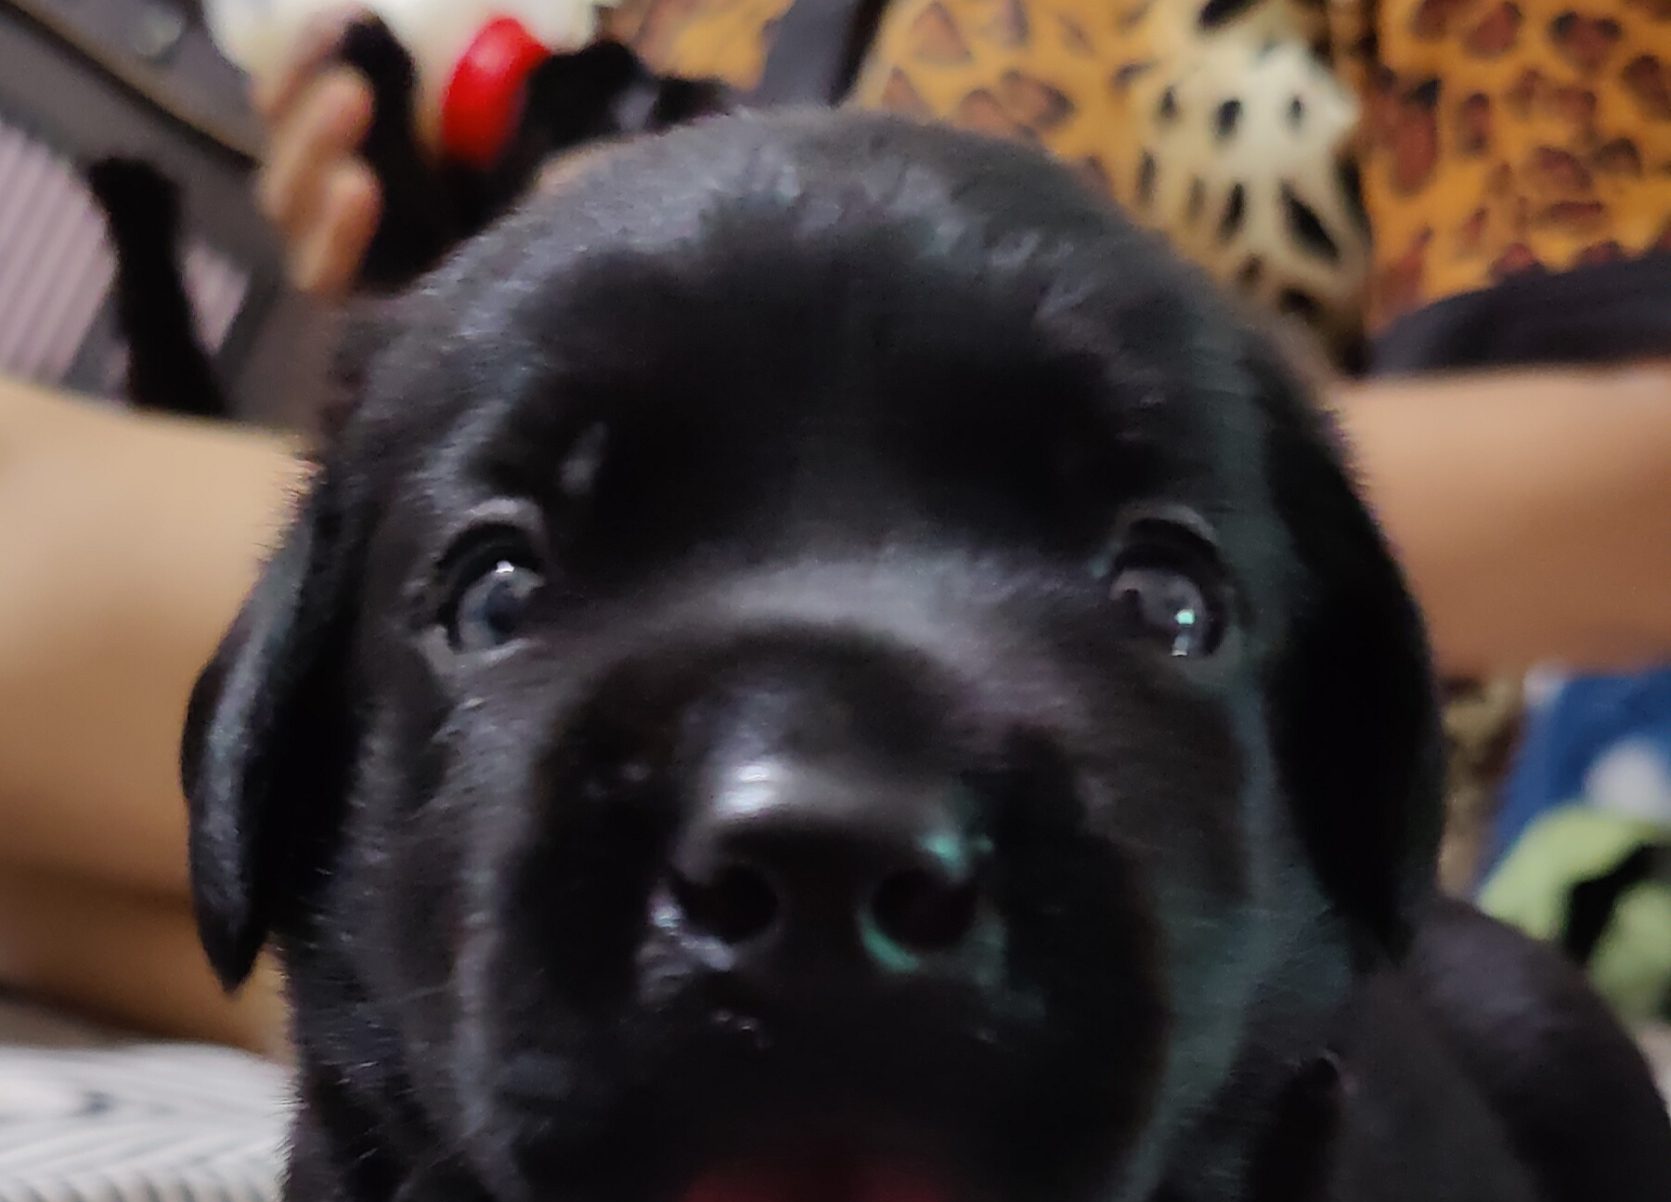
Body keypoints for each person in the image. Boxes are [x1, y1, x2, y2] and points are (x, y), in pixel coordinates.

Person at [1, 0, 1668, 1042]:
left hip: (1113, 798)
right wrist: (447, 282)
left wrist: (1108, 514)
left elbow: (1642, 482)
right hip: (628, 743)